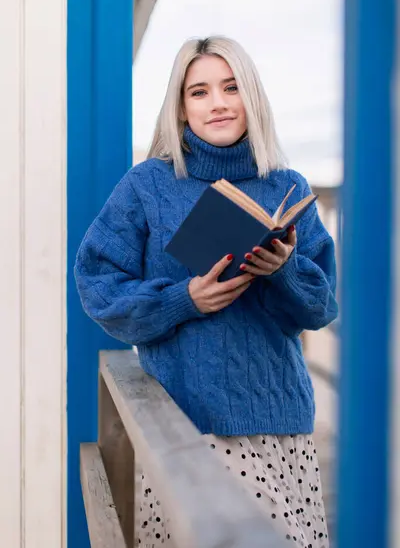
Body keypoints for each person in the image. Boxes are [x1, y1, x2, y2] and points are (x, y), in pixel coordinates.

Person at [75, 36, 338, 548]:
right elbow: (98, 286)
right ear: (180, 107)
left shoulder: (288, 186)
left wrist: (282, 270)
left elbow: (322, 306)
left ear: (252, 99)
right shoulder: (147, 185)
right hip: (185, 429)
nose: (217, 102)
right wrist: (184, 300)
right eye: (199, 91)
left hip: (279, 427)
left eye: (231, 87)